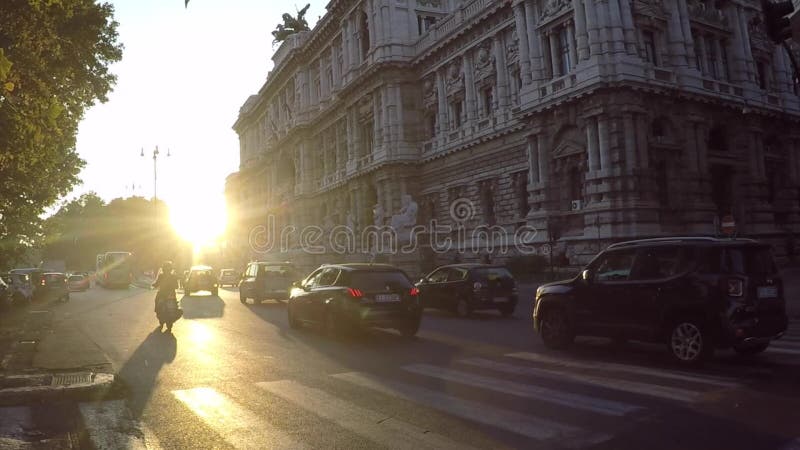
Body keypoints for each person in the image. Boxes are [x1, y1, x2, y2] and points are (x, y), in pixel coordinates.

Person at [151, 261, 179, 331]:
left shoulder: (161, 276)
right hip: (171, 294)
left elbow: (157, 284)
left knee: (157, 301)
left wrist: (153, 285)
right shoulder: (173, 276)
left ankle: (159, 312)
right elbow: (177, 286)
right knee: (175, 304)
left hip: (163, 294)